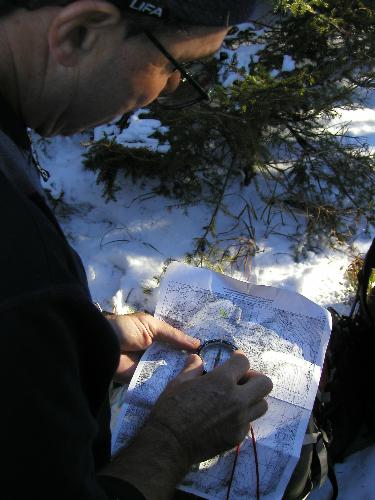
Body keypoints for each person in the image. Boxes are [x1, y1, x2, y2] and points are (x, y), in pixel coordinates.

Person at [0, 1, 273, 499]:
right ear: (80, 32)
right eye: (172, 65)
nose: (170, 89)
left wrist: (71, 341)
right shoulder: (24, 274)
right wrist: (174, 439)